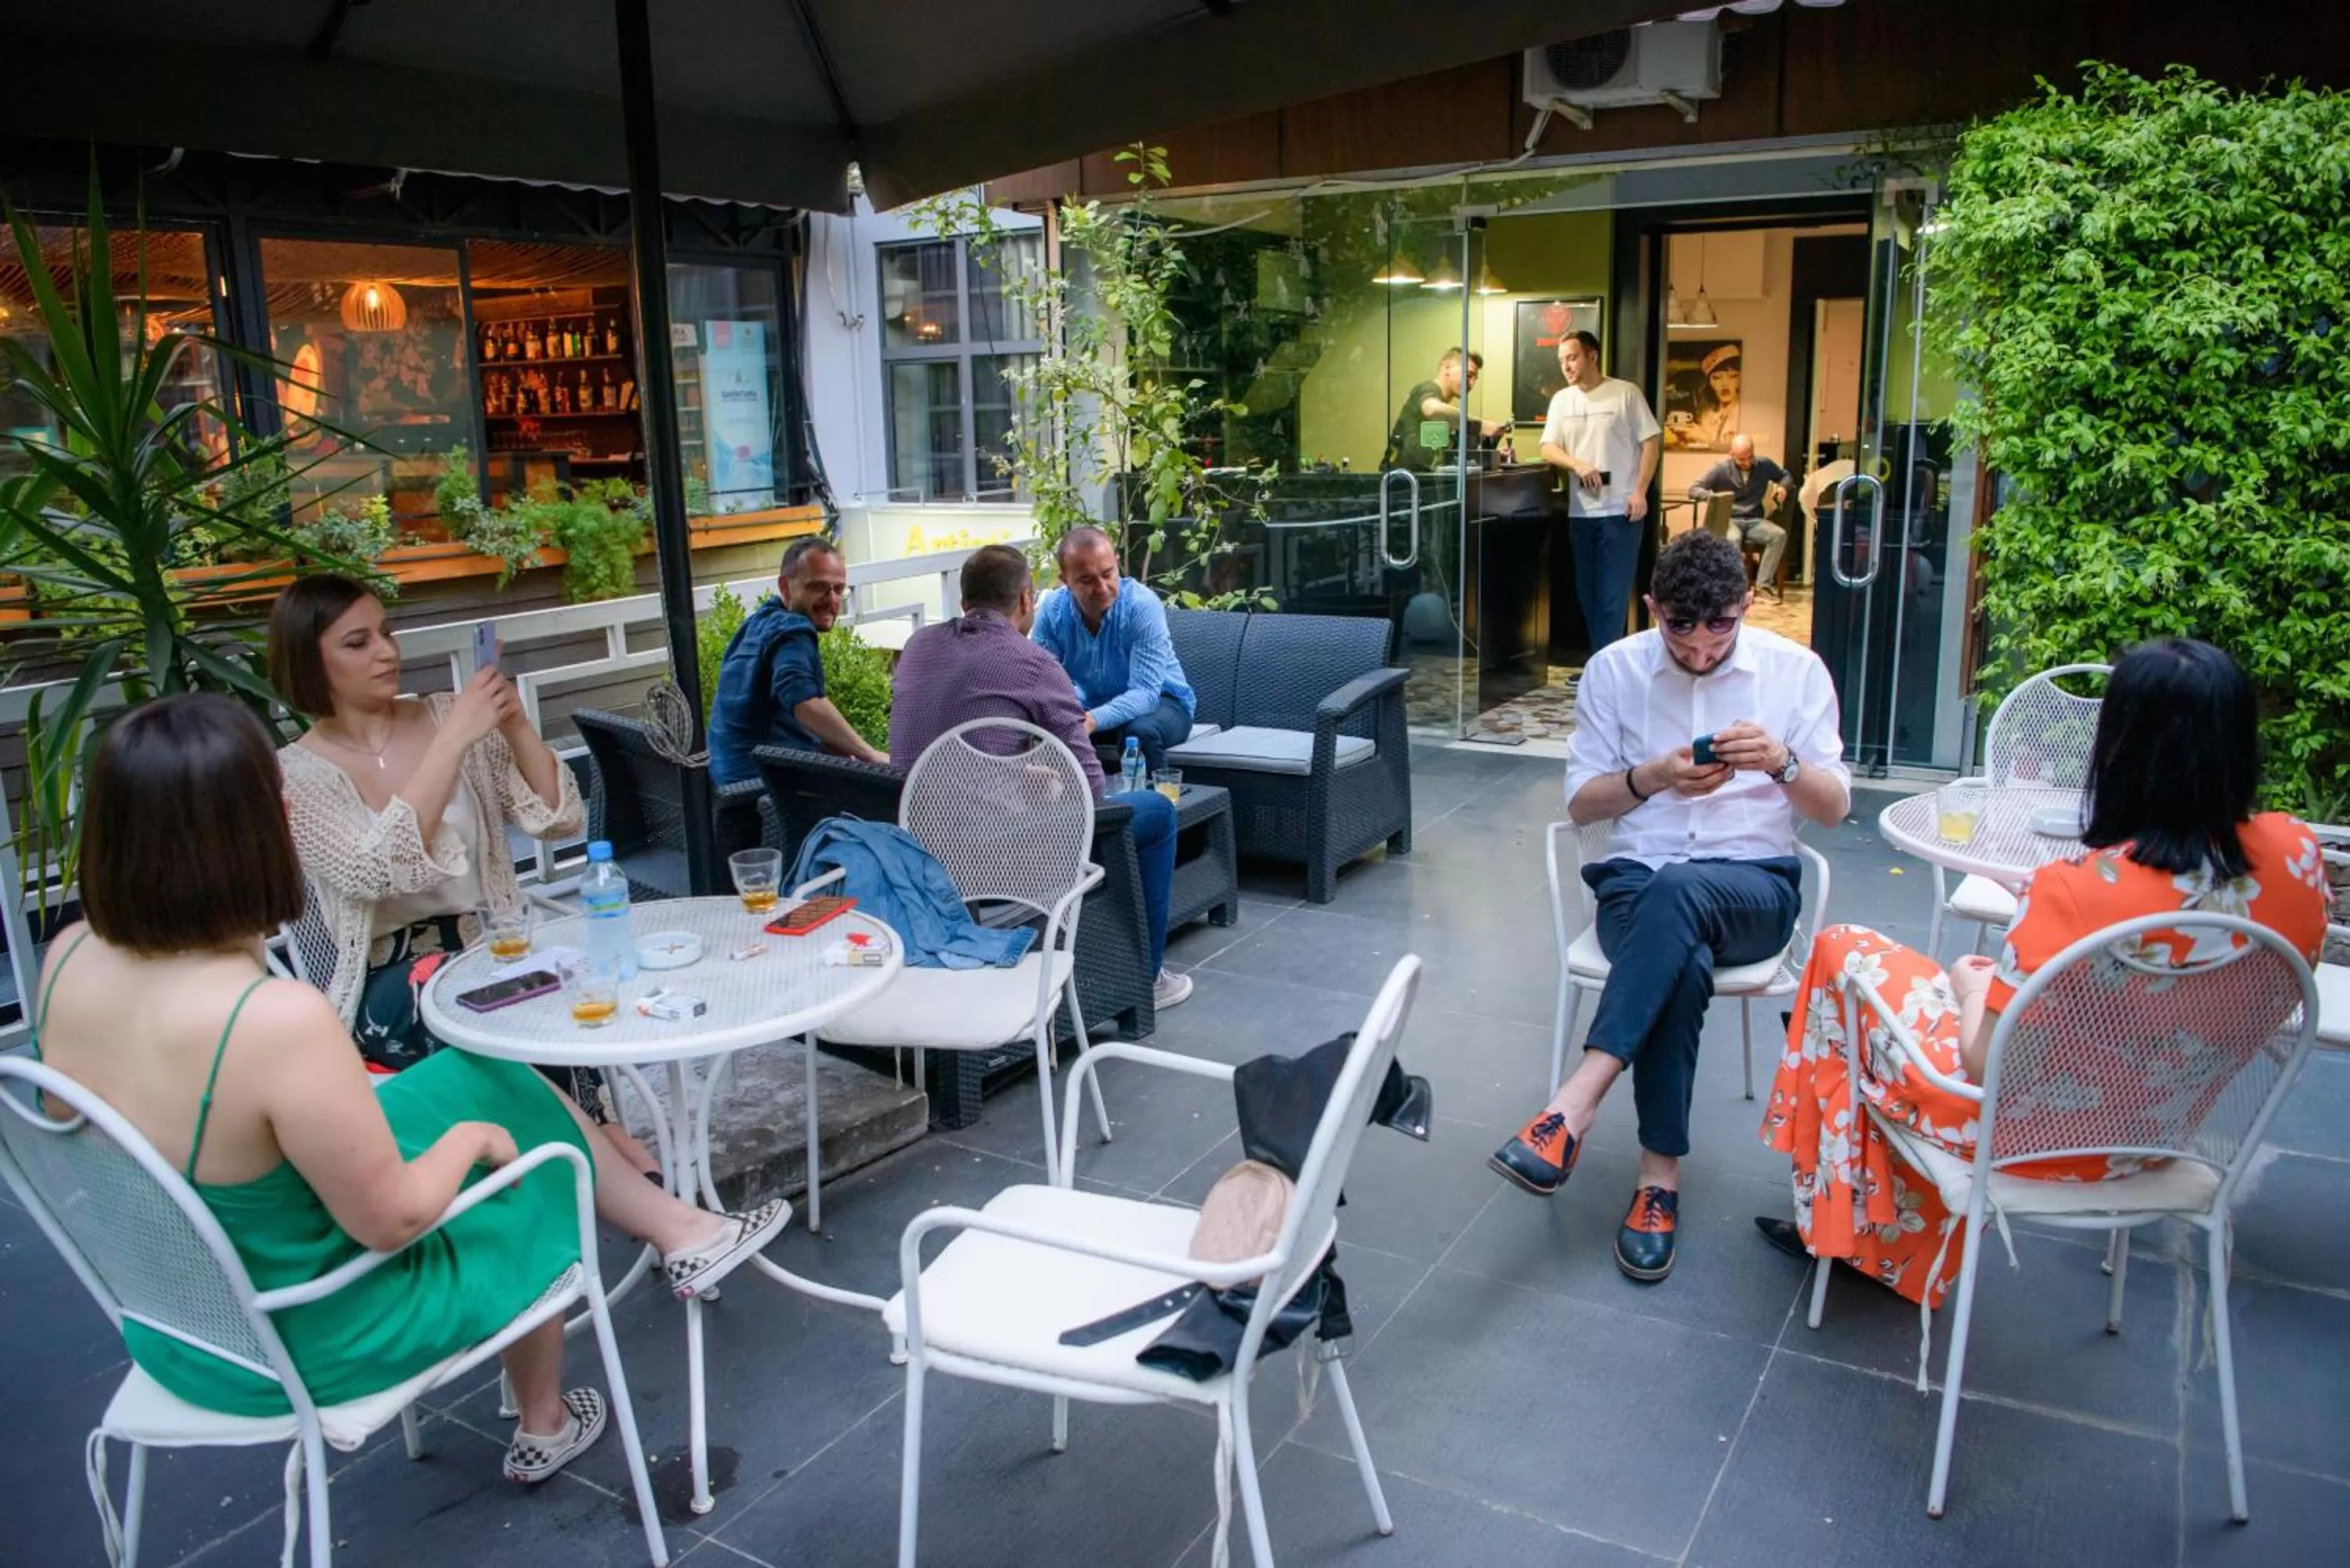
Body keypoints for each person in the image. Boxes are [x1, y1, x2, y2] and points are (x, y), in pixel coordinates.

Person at [29, 693, 783, 1480]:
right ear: (260, 826)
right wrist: (474, 1140)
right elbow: (393, 1221)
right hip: (309, 1334)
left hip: (181, 1316)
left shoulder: (70, 955)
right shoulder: (274, 1019)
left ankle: (683, 1231)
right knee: (526, 1165)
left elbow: (76, 1114)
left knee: (478, 1074)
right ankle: (547, 1416)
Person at [1758, 638, 2331, 1311]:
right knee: (1874, 988)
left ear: (2120, 745)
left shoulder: (2072, 891)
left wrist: (1971, 986)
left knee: (1841, 954)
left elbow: (1980, 1063)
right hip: (2165, 1135)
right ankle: (1871, 1231)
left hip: (2021, 1140)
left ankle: (1848, 1225)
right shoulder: (2299, 853)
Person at [1488, 530, 1850, 1283]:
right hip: (1635, 880)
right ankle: (1658, 1181)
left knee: (1680, 893)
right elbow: (1584, 805)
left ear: (1747, 605)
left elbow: (1835, 809)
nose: (1698, 648)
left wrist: (1782, 762)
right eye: (1678, 627)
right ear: (1652, 608)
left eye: (1720, 625)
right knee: (1675, 944)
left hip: (1754, 885)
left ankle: (1575, 1104)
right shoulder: (1614, 670)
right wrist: (1652, 777)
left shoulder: (1794, 671)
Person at [269, 575, 652, 1176]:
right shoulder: (295, 775)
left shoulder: (451, 714)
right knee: (498, 1016)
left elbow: (559, 820)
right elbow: (378, 871)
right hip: (390, 980)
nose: (387, 652)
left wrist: (513, 723)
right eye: (358, 642)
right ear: (308, 660)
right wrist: (450, 742)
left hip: (493, 947)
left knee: (558, 991)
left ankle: (622, 1169)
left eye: (387, 633)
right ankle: (633, 1175)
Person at [892, 544, 1193, 1010]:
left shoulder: (918, 646)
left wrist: (1019, 773)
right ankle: (1143, 977)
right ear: (1029, 600)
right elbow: (1090, 790)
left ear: (963, 601)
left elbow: (960, 747)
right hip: (996, 853)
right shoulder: (1031, 662)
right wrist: (1049, 786)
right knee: (1155, 812)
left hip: (916, 838)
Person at [707, 537, 890, 785]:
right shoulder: (793, 629)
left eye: (838, 589)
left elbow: (772, 712)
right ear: (785, 587)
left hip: (727, 785)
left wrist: (830, 743)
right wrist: (868, 753)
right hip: (763, 794)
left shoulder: (754, 625)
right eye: (818, 587)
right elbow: (803, 700)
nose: (832, 600)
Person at [1031, 526, 1197, 772]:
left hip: (1164, 702)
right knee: (1047, 731)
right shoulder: (1053, 611)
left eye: (1108, 574)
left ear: (1117, 563)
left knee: (1140, 733)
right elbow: (1043, 683)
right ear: (1064, 579)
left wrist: (1092, 720)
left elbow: (1146, 693)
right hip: (1091, 705)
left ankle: (1157, 806)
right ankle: (1077, 807)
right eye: (1087, 580)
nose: (1102, 588)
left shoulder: (1142, 605)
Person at [1540, 331, 1661, 656]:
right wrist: (1576, 463)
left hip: (1620, 512)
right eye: (1562, 360)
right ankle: (1602, 665)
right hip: (1581, 513)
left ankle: (1603, 670)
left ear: (1592, 356)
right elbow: (1548, 447)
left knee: (1612, 598)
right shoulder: (1562, 401)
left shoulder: (1625, 394)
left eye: (1572, 357)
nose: (1566, 366)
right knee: (1587, 595)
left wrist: (1640, 491)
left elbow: (1651, 441)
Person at [1687, 434, 1793, 599]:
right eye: (1742, 459)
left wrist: (1783, 488)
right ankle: (1736, 588)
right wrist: (1712, 497)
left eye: (1750, 457)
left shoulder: (1764, 464)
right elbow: (1694, 489)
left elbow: (1785, 476)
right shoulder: (1721, 469)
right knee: (1733, 539)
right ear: (1732, 455)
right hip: (1730, 519)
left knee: (1779, 535)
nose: (1747, 463)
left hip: (1754, 519)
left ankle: (1763, 586)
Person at [1383, 346, 1506, 472]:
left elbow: (1443, 457)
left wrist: (1492, 456)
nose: (1472, 383)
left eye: (1475, 379)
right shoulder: (1427, 389)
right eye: (1469, 375)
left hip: (1420, 482)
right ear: (1447, 368)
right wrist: (1481, 425)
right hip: (1400, 484)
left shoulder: (1447, 413)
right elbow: (1432, 409)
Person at [1693, 344, 1741, 451]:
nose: (1725, 384)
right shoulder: (1707, 414)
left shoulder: (1745, 413)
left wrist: (1705, 439)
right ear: (1709, 383)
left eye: (1733, 376)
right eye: (1717, 378)